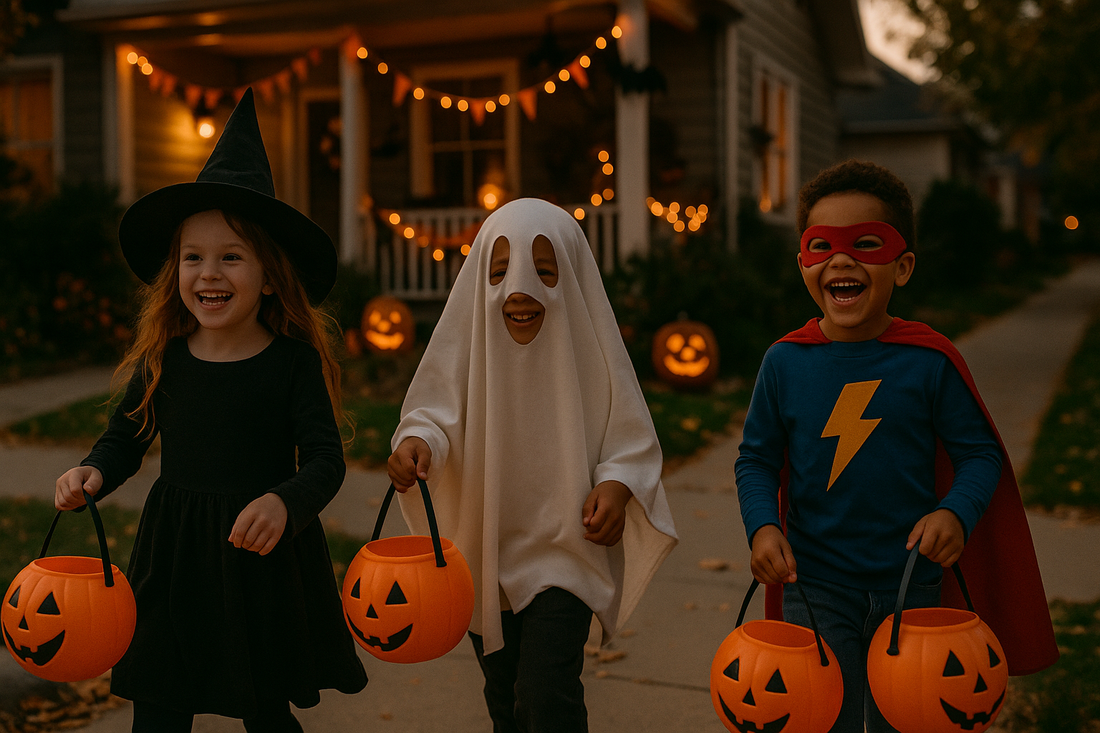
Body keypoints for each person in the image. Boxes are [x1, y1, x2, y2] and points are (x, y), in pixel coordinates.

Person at [53, 89, 367, 733]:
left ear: (270, 276)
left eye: (231, 256)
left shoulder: (291, 363)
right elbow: (125, 437)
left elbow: (326, 460)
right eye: (192, 257)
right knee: (159, 704)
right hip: (173, 556)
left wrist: (285, 502)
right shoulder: (166, 358)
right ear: (175, 271)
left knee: (264, 709)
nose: (208, 273)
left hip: (259, 558)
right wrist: (93, 471)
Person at [734, 159, 1058, 733]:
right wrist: (762, 527)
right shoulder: (784, 362)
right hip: (815, 586)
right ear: (803, 264)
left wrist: (955, 513)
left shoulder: (928, 362)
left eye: (865, 244)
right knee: (822, 719)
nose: (841, 260)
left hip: (913, 586)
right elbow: (757, 458)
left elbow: (979, 454)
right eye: (821, 246)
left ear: (902, 266)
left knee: (905, 722)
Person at [387, 197, 677, 733]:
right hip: (484, 549)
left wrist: (617, 485)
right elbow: (433, 411)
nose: (520, 290)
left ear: (572, 275)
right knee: (505, 699)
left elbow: (630, 436)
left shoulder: (593, 352)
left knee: (545, 695)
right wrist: (417, 442)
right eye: (500, 273)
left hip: (568, 550)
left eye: (544, 272)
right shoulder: (466, 344)